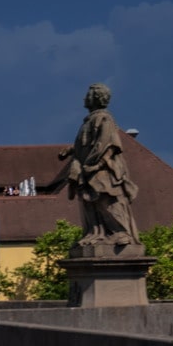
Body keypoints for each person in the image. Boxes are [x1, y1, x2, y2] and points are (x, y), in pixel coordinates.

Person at [54, 82, 141, 246]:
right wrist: (71, 151)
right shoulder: (89, 121)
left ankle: (121, 232)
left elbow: (107, 144)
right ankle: (95, 233)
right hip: (88, 169)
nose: (84, 98)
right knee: (89, 202)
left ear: (96, 98)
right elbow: (86, 144)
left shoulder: (104, 119)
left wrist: (95, 165)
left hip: (103, 169)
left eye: (88, 95)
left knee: (105, 200)